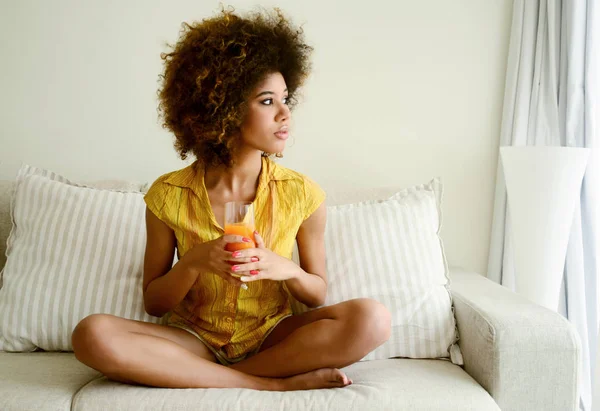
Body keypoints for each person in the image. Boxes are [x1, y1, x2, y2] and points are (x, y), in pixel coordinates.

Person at [72, 7, 391, 391]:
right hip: (195, 341)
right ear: (224, 108)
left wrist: (284, 268)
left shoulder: (303, 194)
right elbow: (154, 303)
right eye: (268, 101)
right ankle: (267, 384)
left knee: (373, 319)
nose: (286, 114)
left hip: (273, 335)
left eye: (286, 98)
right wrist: (194, 262)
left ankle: (231, 376)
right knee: (91, 334)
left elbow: (317, 293)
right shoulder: (167, 195)